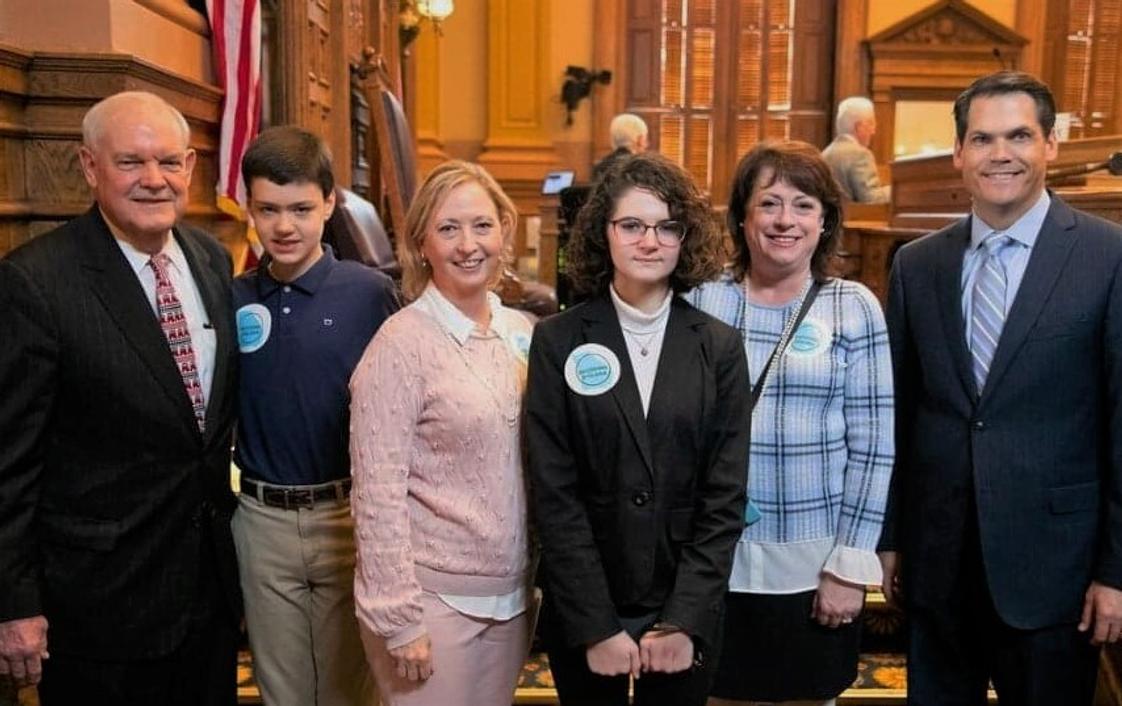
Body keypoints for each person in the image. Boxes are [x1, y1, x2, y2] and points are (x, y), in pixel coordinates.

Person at [881, 70, 1122, 704]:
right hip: (937, 567)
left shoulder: (1109, 255)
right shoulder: (916, 264)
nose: (1000, 154)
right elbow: (900, 414)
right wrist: (891, 539)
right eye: (982, 139)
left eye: (1019, 135)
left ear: (1049, 145)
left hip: (1057, 572)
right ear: (959, 154)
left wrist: (1116, 571)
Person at [0, 91, 241, 704]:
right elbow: (9, 463)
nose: (154, 180)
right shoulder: (36, 283)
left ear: (191, 166)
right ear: (89, 166)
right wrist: (14, 604)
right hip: (98, 610)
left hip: (206, 600)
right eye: (131, 162)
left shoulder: (212, 260)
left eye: (168, 162)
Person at [525, 152, 750, 706]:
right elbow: (553, 494)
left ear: (685, 237)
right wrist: (594, 624)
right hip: (587, 600)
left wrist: (683, 621)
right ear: (605, 234)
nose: (649, 241)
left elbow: (725, 497)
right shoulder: (559, 340)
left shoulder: (718, 345)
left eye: (667, 226)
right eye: (631, 225)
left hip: (684, 598)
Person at [685, 141, 894, 706]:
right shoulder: (704, 300)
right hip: (711, 565)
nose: (785, 220)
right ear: (742, 216)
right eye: (769, 203)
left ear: (825, 219)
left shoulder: (852, 306)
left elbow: (875, 446)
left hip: (814, 567)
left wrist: (851, 566)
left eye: (803, 205)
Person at [349, 160, 534, 706]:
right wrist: (399, 618)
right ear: (421, 244)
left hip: (511, 598)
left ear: (504, 230)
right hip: (431, 604)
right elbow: (376, 493)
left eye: (482, 225)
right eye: (448, 229)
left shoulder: (519, 331)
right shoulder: (399, 345)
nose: (468, 244)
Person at [231, 126, 396, 706]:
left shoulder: (369, 293)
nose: (283, 226)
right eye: (267, 209)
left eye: (301, 208)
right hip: (262, 519)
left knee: (354, 689)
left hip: (348, 516)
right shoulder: (235, 296)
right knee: (284, 692)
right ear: (248, 208)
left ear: (329, 202)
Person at [821, 97, 890, 204]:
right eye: (871, 123)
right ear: (859, 127)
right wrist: (897, 191)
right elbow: (871, 200)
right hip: (852, 219)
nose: (874, 131)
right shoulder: (860, 155)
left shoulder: (825, 153)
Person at [592, 113, 649, 182]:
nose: (647, 145)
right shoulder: (640, 168)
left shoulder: (600, 167)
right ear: (639, 140)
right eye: (645, 139)